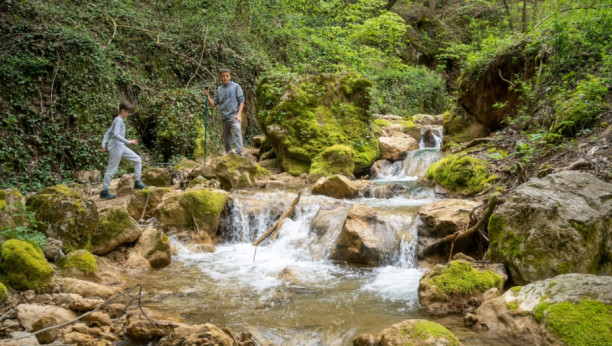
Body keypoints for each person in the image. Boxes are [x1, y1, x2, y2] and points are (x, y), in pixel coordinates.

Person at [100, 101, 146, 199]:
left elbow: (108, 132)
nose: (129, 114)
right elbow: (116, 135)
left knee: (137, 159)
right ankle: (104, 191)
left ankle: (137, 182)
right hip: (116, 146)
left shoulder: (117, 119)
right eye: (128, 112)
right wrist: (128, 142)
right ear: (123, 110)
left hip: (120, 146)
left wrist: (103, 143)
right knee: (112, 169)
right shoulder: (118, 120)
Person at [203, 67, 245, 156]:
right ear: (220, 77)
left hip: (234, 116)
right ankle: (229, 155)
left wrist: (239, 115)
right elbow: (214, 104)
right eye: (223, 76)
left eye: (227, 76)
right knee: (227, 138)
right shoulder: (219, 89)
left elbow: (241, 101)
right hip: (224, 117)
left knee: (237, 130)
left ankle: (239, 153)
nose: (225, 78)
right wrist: (207, 97)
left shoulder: (236, 86)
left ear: (230, 77)